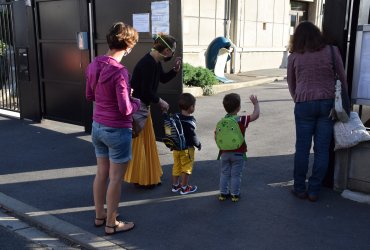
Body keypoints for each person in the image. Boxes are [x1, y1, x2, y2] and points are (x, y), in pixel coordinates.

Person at [86, 22, 140, 235]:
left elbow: (90, 95)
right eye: (132, 44)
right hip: (117, 130)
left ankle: (100, 216)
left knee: (101, 173)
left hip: (97, 127)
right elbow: (126, 109)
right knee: (116, 178)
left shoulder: (94, 64)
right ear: (127, 46)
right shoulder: (120, 72)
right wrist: (135, 100)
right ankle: (112, 223)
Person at [287, 21, 348, 202]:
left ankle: (299, 188)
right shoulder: (331, 51)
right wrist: (343, 102)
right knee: (322, 149)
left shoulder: (294, 56)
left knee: (302, 149)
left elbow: (292, 84)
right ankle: (314, 190)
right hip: (328, 105)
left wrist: (299, 98)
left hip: (304, 104)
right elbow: (342, 79)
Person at [123, 33, 182, 187]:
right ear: (167, 50)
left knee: (147, 143)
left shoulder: (155, 61)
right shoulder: (148, 63)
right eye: (173, 50)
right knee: (141, 145)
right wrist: (160, 101)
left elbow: (161, 78)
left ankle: (147, 177)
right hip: (139, 107)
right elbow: (146, 91)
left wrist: (174, 71)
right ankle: (142, 179)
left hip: (144, 106)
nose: (173, 54)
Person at [217, 93, 260, 202]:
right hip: (238, 152)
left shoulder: (222, 121)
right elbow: (255, 115)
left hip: (224, 152)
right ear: (239, 107)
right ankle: (235, 195)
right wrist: (256, 104)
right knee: (235, 175)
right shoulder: (241, 119)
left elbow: (217, 135)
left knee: (224, 173)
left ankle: (223, 193)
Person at [171, 93, 201, 195]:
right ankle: (184, 188)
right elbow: (193, 136)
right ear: (191, 108)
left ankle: (175, 186)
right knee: (186, 168)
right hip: (186, 149)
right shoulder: (190, 121)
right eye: (194, 105)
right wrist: (198, 144)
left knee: (177, 166)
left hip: (176, 148)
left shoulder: (175, 117)